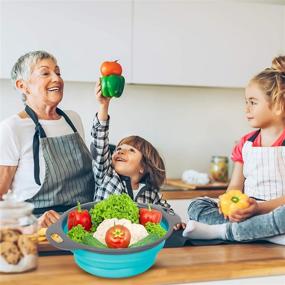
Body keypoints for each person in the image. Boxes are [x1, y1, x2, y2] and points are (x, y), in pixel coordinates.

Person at [183, 56, 285, 245]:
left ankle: (222, 232)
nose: (246, 108)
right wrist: (228, 205)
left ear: (279, 105)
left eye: (253, 102)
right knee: (197, 205)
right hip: (248, 213)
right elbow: (234, 189)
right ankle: (262, 232)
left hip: (274, 210)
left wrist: (259, 208)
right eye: (246, 102)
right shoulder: (245, 143)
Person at [0, 51, 94, 227]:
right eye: (45, 73)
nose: (56, 79)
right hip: (40, 233)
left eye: (58, 72)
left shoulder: (73, 120)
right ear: (23, 86)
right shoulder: (12, 128)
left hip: (86, 226)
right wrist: (32, 225)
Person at [91, 81, 185, 231]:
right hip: (106, 242)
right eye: (119, 148)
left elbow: (169, 214)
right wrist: (104, 106)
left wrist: (176, 222)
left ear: (143, 167)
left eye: (131, 150)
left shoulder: (151, 194)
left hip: (138, 244)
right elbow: (100, 142)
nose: (120, 151)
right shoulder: (107, 176)